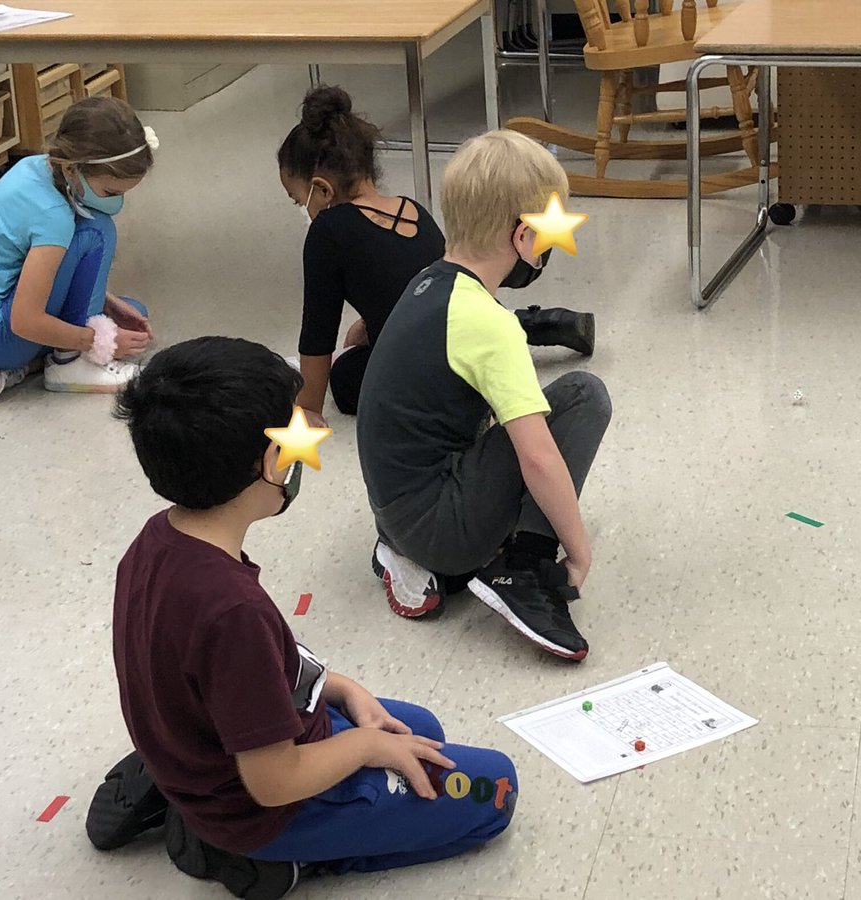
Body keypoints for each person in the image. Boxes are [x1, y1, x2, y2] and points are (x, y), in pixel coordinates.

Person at [100, 336, 517, 899]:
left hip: (229, 750)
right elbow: (274, 782)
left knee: (421, 728)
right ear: (271, 461)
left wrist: (338, 687)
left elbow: (234, 672)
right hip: (267, 806)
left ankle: (187, 796)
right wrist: (367, 749)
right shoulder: (230, 609)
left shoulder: (156, 540)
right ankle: (272, 859)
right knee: (496, 790)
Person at [357, 130, 612, 662]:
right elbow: (538, 457)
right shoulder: (490, 324)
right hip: (439, 530)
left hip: (394, 505)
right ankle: (523, 568)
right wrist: (578, 551)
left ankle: (403, 550)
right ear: (523, 238)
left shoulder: (427, 281)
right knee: (584, 396)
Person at [277, 85, 596, 424]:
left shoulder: (326, 230)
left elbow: (318, 331)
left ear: (322, 190)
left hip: (431, 371)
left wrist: (309, 407)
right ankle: (529, 323)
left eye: (300, 201)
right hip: (475, 324)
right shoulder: (410, 208)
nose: (304, 210)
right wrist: (372, 322)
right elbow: (425, 279)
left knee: (344, 374)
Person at [0, 97, 156, 402]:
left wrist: (107, 303)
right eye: (111, 192)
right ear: (73, 168)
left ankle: (20, 368)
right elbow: (25, 320)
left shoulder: (36, 168)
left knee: (130, 312)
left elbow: (43, 269)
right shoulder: (52, 215)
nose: (117, 203)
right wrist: (99, 341)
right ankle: (67, 363)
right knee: (98, 231)